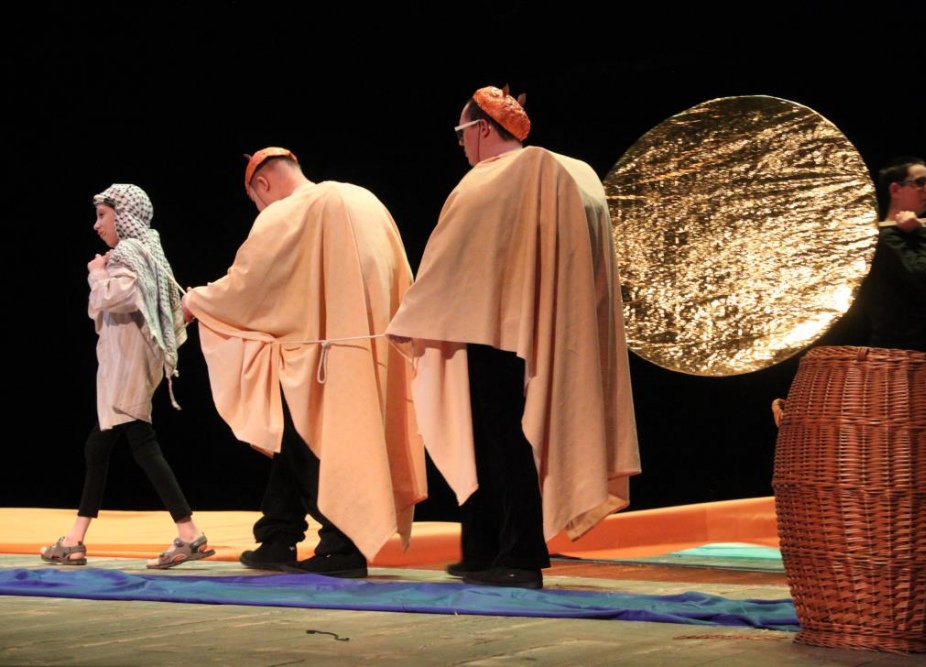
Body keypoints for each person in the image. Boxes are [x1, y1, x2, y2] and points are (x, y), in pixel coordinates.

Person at [386, 85, 641, 589]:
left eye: (462, 133)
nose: (461, 144)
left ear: (482, 128)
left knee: (502, 440)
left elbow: (449, 264)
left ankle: (520, 554)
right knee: (494, 440)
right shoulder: (571, 171)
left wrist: (407, 318)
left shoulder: (493, 179)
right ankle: (487, 548)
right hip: (539, 329)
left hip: (492, 333)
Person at [181, 147, 425, 578]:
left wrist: (197, 301)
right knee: (293, 435)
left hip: (321, 355)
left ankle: (342, 545)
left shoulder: (289, 211)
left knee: (306, 437)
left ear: (262, 183)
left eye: (256, 201)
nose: (260, 209)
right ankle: (278, 534)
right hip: (373, 350)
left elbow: (250, 284)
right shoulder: (366, 199)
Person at [41, 183, 215, 570]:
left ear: (123, 216)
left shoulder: (127, 252)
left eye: (103, 215)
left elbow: (114, 298)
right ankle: (75, 540)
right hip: (133, 364)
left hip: (126, 367)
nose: (96, 224)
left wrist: (96, 273)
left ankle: (188, 534)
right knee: (101, 447)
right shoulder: (149, 250)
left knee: (139, 445)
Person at [858, 155, 926, 353]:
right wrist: (922, 232)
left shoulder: (909, 232)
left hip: (919, 355)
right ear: (896, 190)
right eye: (920, 182)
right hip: (899, 357)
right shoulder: (885, 238)